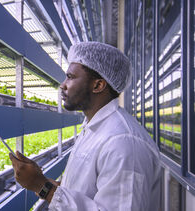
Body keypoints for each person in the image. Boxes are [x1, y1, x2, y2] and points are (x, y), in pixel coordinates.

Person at [9, 42, 161, 211]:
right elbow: (91, 192)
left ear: (98, 85)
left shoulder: (124, 143)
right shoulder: (94, 127)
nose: (63, 84)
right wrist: (54, 186)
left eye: (71, 77)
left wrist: (42, 187)